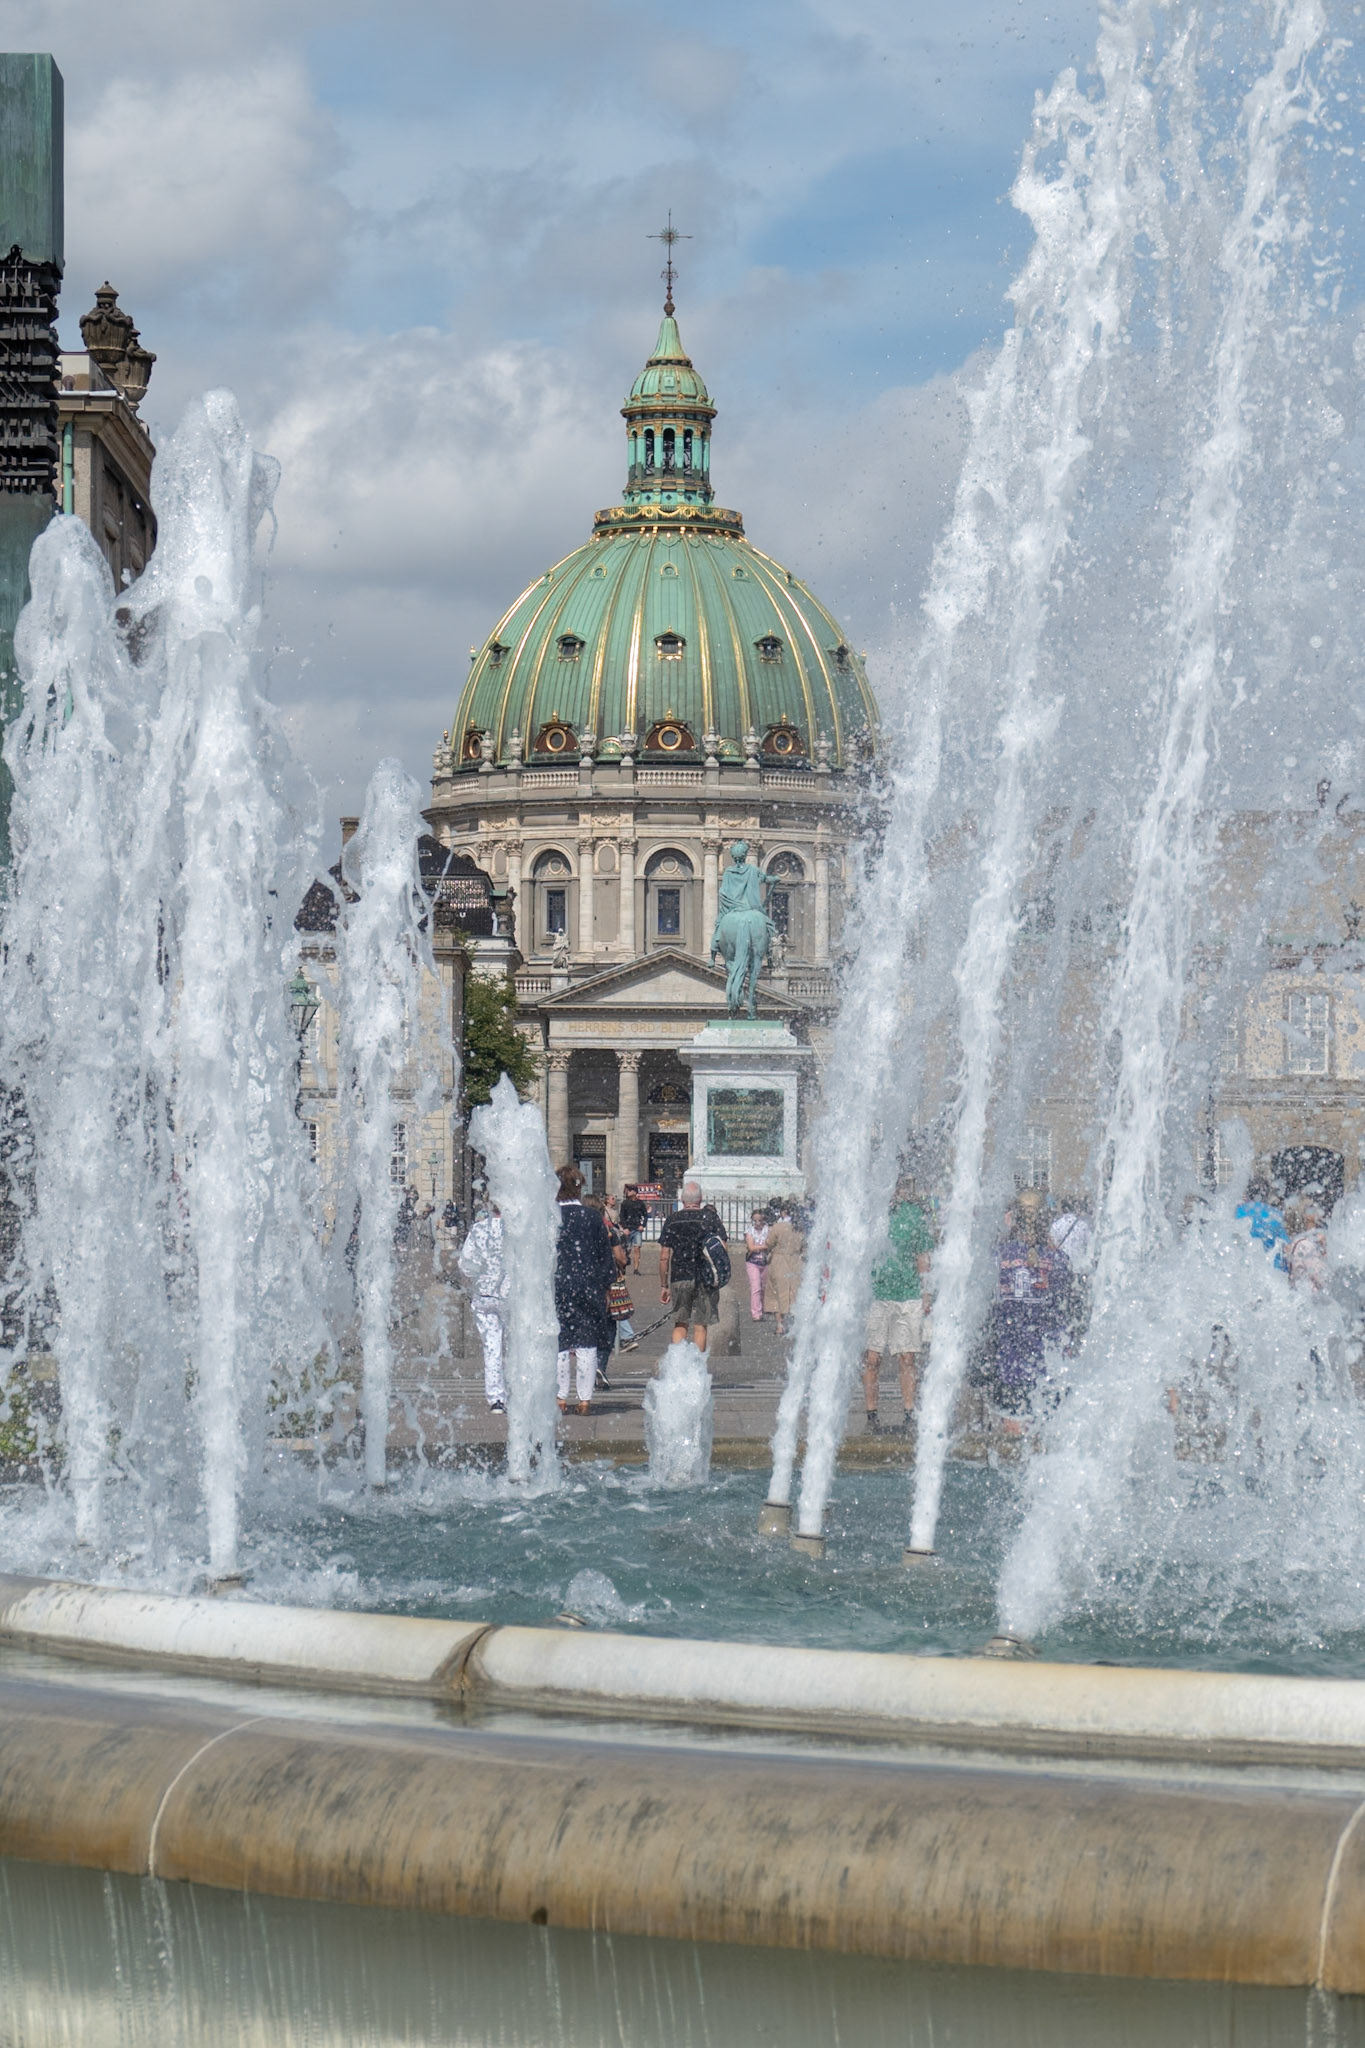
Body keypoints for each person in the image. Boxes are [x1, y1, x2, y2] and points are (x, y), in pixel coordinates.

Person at [991, 1190, 1070, 1426]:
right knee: (1044, 1427)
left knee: (1012, 1427)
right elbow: (1064, 1296)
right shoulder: (1057, 1258)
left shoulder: (999, 1254)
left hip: (1010, 1355)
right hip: (1045, 1355)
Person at [863, 1176, 934, 1435]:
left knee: (907, 1357)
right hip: (877, 1295)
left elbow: (922, 1254)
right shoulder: (870, 1213)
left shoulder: (913, 1215)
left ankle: (909, 1414)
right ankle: (871, 1416)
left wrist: (927, 1293)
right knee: (872, 1358)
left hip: (908, 1294)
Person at [553, 1165, 616, 1414]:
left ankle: (560, 1398)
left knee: (560, 1342)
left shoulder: (549, 1215)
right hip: (588, 1285)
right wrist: (606, 1285)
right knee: (586, 1343)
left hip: (558, 1285)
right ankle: (584, 1399)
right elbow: (604, 1255)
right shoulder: (592, 1217)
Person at [658, 1180, 727, 1351]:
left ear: (682, 1200)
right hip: (705, 1277)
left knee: (680, 1323)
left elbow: (664, 1256)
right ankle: (697, 1369)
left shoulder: (673, 1220)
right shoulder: (710, 1218)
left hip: (680, 1276)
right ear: (701, 1199)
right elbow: (722, 1249)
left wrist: (664, 1285)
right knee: (701, 1325)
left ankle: (677, 1367)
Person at [457, 1201, 508, 1413]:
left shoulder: (479, 1229)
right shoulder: (514, 1229)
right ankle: (517, 1391)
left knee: (492, 1346)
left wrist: (480, 1275)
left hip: (485, 1295)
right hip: (510, 1294)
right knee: (514, 1345)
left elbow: (465, 1263)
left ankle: (496, 1398)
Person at [763, 1201, 806, 1339]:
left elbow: (769, 1243)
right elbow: (805, 1245)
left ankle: (780, 1326)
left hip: (779, 1260)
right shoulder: (799, 1227)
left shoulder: (778, 1227)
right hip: (796, 1261)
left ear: (783, 1212)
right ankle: (796, 1325)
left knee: (777, 1292)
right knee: (794, 1292)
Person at [1236, 1177, 1290, 1271]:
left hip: (1242, 1268)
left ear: (1248, 1193)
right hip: (1272, 1271)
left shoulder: (1237, 1212)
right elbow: (1287, 1247)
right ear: (1267, 1194)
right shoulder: (1276, 1215)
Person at [1288, 1200, 1329, 1294]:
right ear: (1307, 1219)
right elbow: (1324, 1280)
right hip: (1313, 1299)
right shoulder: (1305, 1245)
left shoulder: (1298, 1243)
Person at [743, 1207, 771, 1322]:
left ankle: (763, 1309)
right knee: (756, 1287)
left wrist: (758, 1247)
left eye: (760, 1220)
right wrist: (765, 1246)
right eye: (755, 1221)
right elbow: (751, 1247)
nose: (758, 1223)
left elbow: (771, 1243)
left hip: (765, 1262)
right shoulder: (750, 1231)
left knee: (764, 1287)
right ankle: (756, 1313)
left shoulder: (768, 1230)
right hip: (752, 1262)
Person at [619, 1184, 648, 1275]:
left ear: (635, 1192)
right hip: (628, 1229)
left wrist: (643, 1225)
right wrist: (625, 1228)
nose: (628, 1192)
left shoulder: (640, 1203)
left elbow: (645, 1215)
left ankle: (636, 1269)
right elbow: (622, 1216)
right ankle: (623, 1267)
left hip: (637, 1229)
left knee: (637, 1248)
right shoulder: (625, 1203)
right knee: (627, 1249)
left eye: (630, 1190)